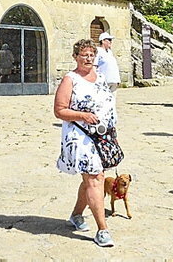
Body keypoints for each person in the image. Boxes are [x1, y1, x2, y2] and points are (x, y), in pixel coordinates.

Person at [54, 38, 118, 248]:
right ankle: (103, 230)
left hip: (102, 135)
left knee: (92, 178)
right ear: (76, 57)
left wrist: (112, 130)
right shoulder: (70, 79)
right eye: (84, 55)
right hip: (79, 136)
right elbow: (60, 110)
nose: (88, 58)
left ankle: (76, 215)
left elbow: (108, 104)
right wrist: (82, 115)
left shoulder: (100, 77)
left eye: (91, 55)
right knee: (95, 178)